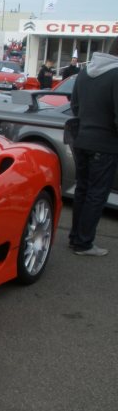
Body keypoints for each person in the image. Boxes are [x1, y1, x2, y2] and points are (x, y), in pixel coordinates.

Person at [67, 39, 118, 257]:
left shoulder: (85, 72)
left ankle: (75, 238)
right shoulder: (116, 75)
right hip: (104, 144)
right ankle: (84, 243)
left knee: (82, 190)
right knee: (97, 194)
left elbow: (74, 106)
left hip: (81, 141)